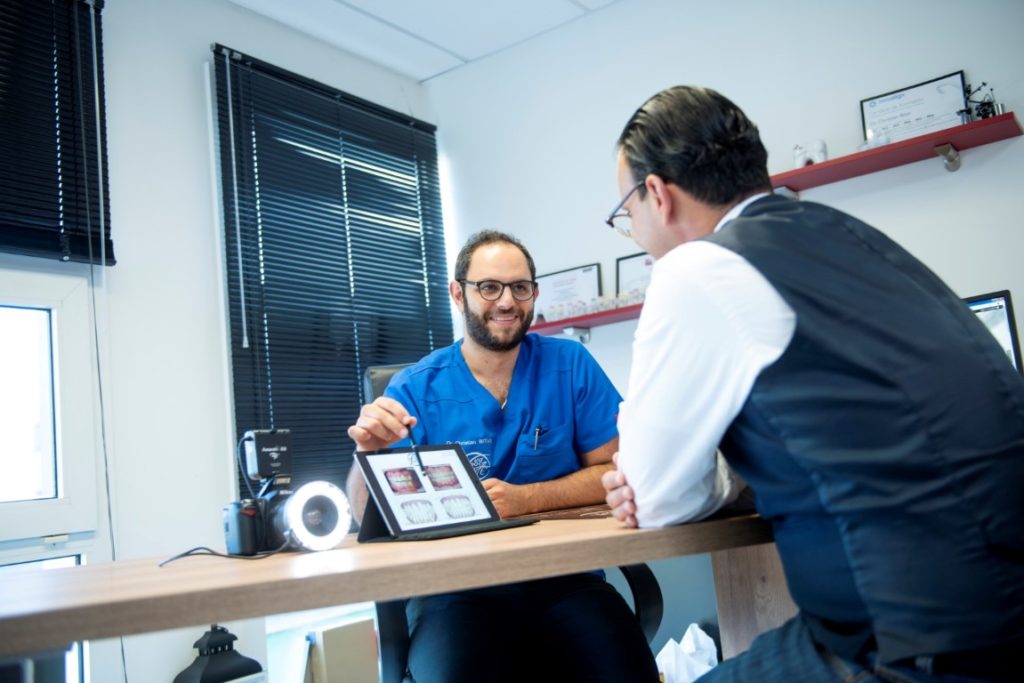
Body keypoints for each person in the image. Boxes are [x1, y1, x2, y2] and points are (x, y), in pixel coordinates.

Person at [601, 85, 1024, 682]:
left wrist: (703, 477)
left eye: (627, 215)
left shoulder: (696, 268)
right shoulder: (845, 235)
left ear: (656, 195)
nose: (636, 233)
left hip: (916, 647)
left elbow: (657, 499)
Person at [346, 230, 659, 683]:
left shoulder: (570, 365)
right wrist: (366, 454)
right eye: (489, 287)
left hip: (566, 580)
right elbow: (365, 517)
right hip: (453, 593)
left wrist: (527, 499)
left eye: (520, 287)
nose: (506, 301)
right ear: (458, 293)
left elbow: (615, 472)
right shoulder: (417, 388)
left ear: (534, 293)